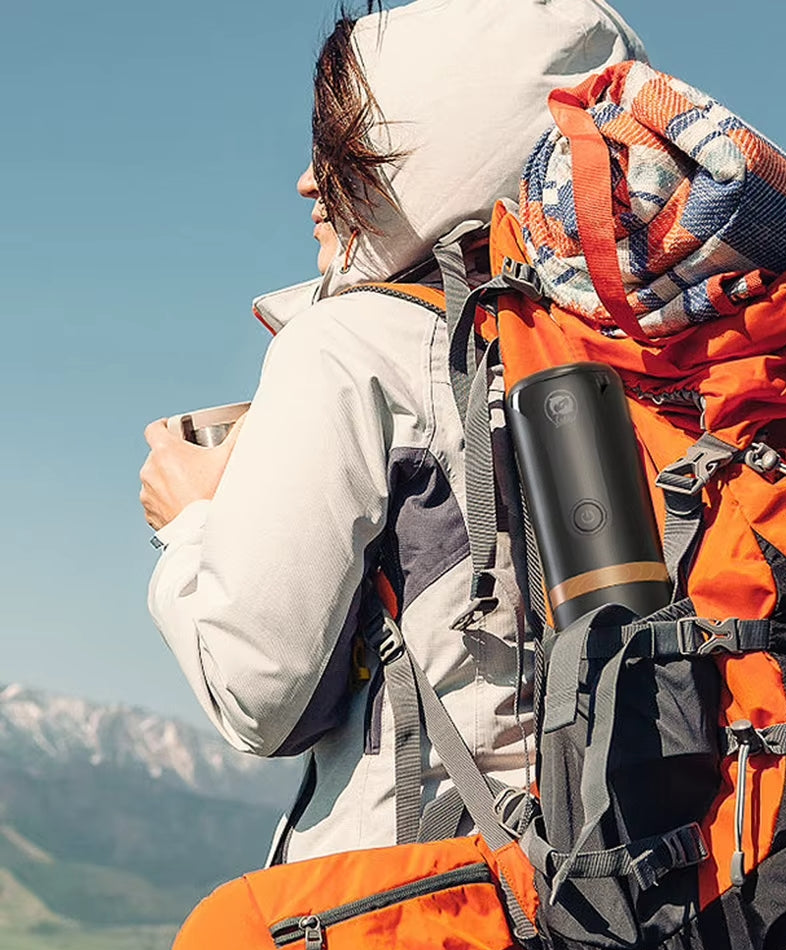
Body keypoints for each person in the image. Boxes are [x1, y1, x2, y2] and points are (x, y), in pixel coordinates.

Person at [140, 0, 646, 864]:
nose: (308, 181)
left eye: (344, 150)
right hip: (627, 893)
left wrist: (190, 522)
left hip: (429, 905)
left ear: (429, 160)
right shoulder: (636, 351)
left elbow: (258, 697)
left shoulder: (347, 347)